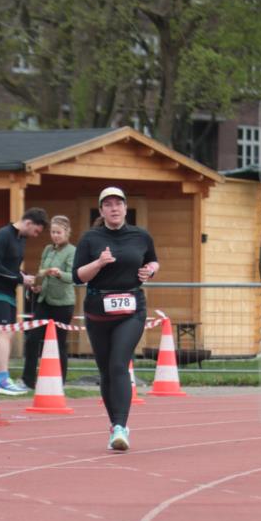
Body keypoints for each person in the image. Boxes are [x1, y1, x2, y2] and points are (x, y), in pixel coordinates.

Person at [72, 187, 159, 451]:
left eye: (118, 204)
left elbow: (153, 261)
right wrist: (98, 263)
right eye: (108, 205)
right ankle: (115, 426)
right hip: (98, 310)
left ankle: (121, 426)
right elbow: (78, 276)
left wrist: (151, 270)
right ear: (101, 211)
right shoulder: (91, 238)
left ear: (125, 208)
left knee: (120, 363)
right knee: (106, 370)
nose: (114, 208)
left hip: (132, 308)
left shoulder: (141, 236)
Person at [0, 207, 48, 395]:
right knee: (4, 332)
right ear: (28, 223)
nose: (35, 235)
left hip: (9, 292)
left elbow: (12, 268)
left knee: (8, 333)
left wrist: (26, 279)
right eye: (36, 231)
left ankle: (2, 376)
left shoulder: (21, 239)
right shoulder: (3, 235)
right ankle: (1, 378)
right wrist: (20, 279)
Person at [18, 215, 76, 390]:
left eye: (59, 232)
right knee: (33, 339)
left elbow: (73, 277)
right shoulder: (47, 250)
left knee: (59, 343)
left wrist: (59, 273)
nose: (55, 235)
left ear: (67, 232)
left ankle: (59, 382)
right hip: (44, 300)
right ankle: (28, 380)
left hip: (63, 304)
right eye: (53, 232)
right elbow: (41, 271)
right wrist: (38, 285)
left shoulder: (72, 251)